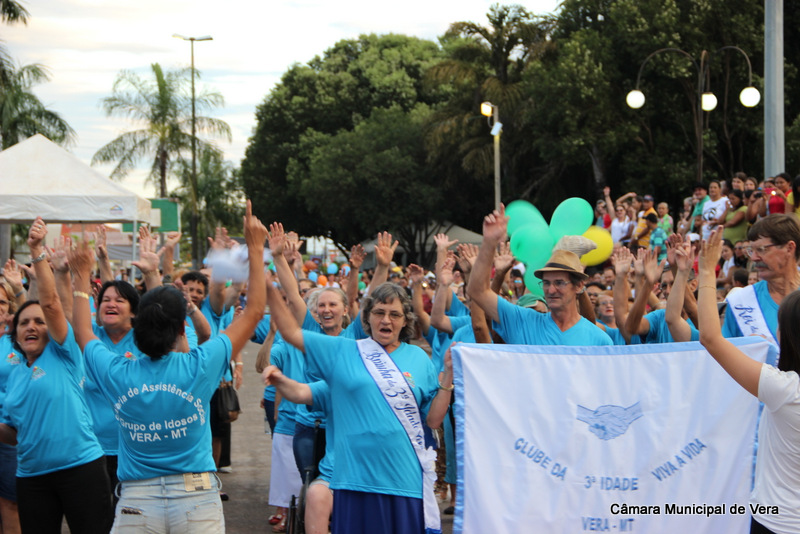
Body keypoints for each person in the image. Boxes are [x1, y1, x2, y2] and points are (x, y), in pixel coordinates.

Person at [68, 200, 267, 533]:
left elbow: (83, 331)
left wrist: (80, 276)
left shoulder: (116, 371)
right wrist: (256, 248)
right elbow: (255, 310)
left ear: (137, 326)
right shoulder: (200, 365)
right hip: (197, 499)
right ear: (180, 330)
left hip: (136, 503)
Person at [265, 279, 453, 534]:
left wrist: (448, 377)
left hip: (404, 480)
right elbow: (291, 334)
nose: (386, 320)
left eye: (394, 314)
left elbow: (432, 421)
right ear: (367, 318)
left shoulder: (419, 358)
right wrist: (269, 287)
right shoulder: (345, 351)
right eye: (379, 313)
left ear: (405, 320)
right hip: (355, 481)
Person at [0, 217, 113, 533]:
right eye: (24, 323)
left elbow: (50, 303)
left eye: (38, 322)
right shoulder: (16, 377)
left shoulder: (63, 352)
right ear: (15, 334)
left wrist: (37, 252)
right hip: (32, 477)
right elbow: (12, 431)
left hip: (81, 468)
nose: (32, 326)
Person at [698, 227, 800, 534]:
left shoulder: (784, 389)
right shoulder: (744, 300)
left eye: (763, 249)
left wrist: (705, 271)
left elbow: (711, 339)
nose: (754, 258)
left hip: (777, 519)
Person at [468, 206, 611, 346]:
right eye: (546, 283)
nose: (551, 290)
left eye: (559, 283)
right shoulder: (521, 321)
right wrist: (489, 242)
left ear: (579, 285)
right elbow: (477, 290)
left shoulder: (600, 340)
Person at [722, 214, 800, 348]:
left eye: (762, 250)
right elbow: (723, 357)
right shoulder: (740, 302)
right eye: (751, 250)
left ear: (790, 248)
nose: (754, 258)